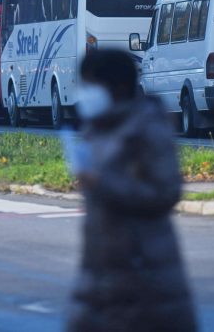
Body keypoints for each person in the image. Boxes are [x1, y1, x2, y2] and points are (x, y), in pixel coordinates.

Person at [66, 49, 197, 332]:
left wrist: (102, 183)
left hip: (144, 273)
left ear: (119, 86)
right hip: (102, 271)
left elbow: (164, 193)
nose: (86, 93)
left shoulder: (147, 127)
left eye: (91, 85)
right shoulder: (95, 129)